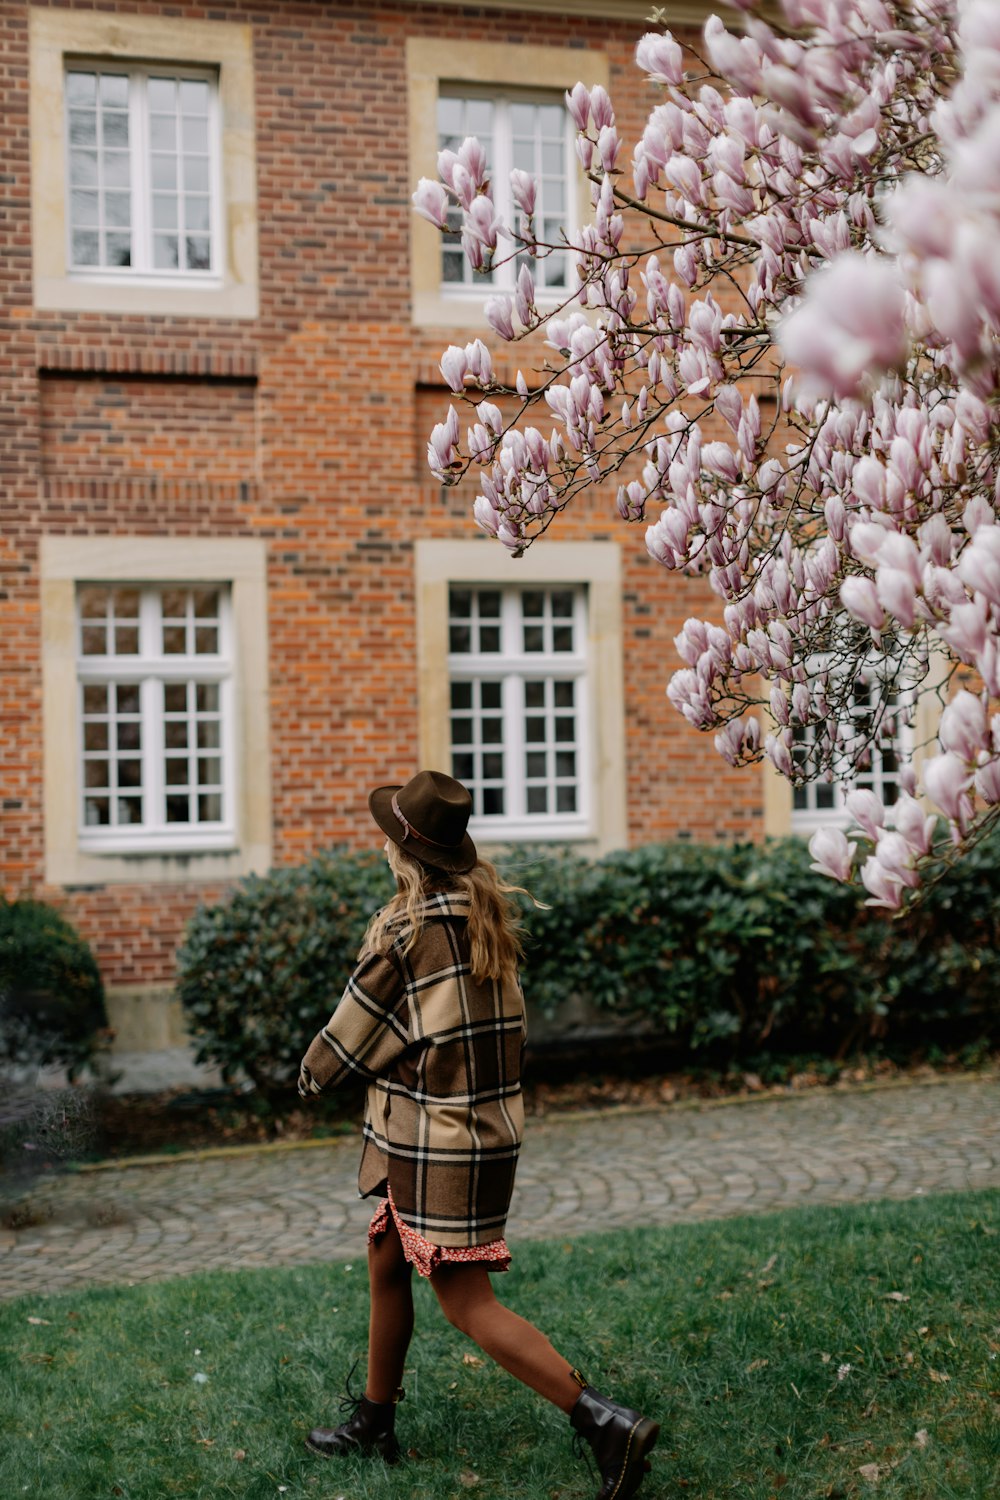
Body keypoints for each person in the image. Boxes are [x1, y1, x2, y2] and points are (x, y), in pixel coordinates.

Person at [297, 769, 659, 1499]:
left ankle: (603, 1423)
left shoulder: (408, 936)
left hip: (436, 1145)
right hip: (484, 1132)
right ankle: (375, 1420)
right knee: (385, 1258)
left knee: (467, 1303)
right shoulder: (485, 915)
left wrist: (307, 1077)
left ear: (404, 854)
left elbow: (338, 1051)